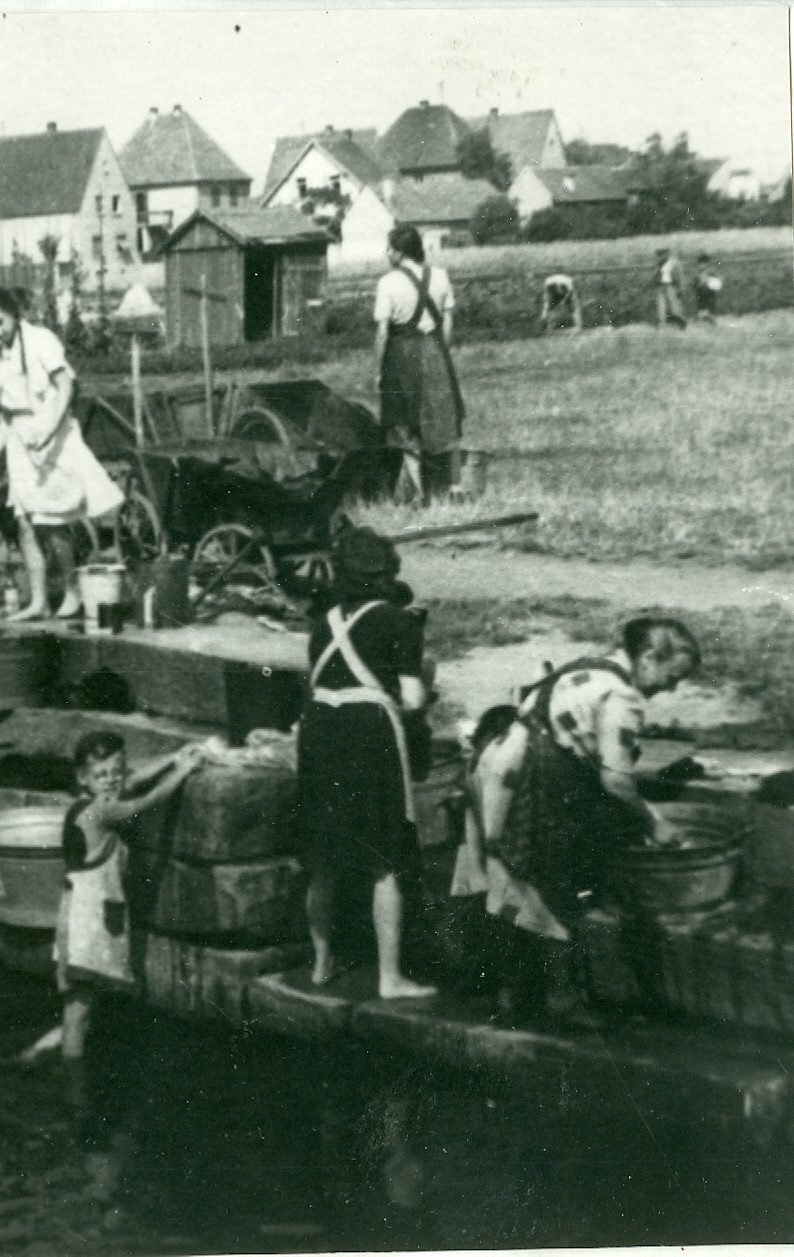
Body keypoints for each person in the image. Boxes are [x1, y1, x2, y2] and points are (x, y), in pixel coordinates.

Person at [467, 618, 701, 1016]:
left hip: (498, 768)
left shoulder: (589, 666)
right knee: (556, 882)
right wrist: (654, 823)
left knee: (510, 877)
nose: (670, 688)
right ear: (647, 658)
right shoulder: (621, 696)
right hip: (533, 781)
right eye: (670, 677)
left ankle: (513, 992)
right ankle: (564, 1000)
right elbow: (617, 783)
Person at [297, 527, 437, 1000]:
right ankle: (390, 977)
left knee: (322, 856)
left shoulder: (324, 621)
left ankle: (319, 964)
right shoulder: (400, 623)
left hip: (318, 727)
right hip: (367, 728)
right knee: (384, 857)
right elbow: (414, 700)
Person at [30, 731, 203, 1072]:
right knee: (80, 1005)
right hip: (86, 918)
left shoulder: (96, 798)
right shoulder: (98, 813)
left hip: (82, 909)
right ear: (83, 779)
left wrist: (171, 758)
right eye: (100, 775)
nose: (110, 781)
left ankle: (51, 1047)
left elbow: (134, 779)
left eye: (115, 772)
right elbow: (145, 801)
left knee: (80, 999)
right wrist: (183, 771)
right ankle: (72, 1075)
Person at [0, 286, 124, 621]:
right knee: (24, 521)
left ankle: (71, 591)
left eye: (0, 322)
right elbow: (9, 412)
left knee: (53, 521)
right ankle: (38, 600)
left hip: (52, 436)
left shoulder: (41, 341)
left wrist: (49, 430)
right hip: (21, 442)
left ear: (14, 312)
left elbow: (66, 387)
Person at [374, 225, 464, 503]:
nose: (386, 253)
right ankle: (453, 487)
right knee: (443, 421)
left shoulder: (387, 282)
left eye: (389, 248)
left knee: (404, 426)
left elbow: (382, 332)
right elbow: (448, 322)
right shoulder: (440, 276)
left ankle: (420, 494)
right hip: (436, 350)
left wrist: (379, 370)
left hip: (403, 357)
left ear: (399, 252)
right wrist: (440, 354)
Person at [654, 248, 687, 329]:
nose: (660, 256)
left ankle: (681, 323)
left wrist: (681, 288)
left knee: (674, 306)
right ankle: (662, 324)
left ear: (667, 253)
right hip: (661, 286)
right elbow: (656, 276)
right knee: (661, 306)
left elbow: (680, 277)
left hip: (671, 286)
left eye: (662, 254)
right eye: (659, 254)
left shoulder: (674, 263)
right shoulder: (659, 264)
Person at [692, 253, 722, 324]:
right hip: (700, 290)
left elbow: (717, 278)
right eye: (701, 263)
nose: (702, 265)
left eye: (704, 263)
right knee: (701, 303)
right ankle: (702, 317)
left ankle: (710, 318)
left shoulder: (710, 270)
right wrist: (696, 285)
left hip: (709, 290)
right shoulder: (697, 271)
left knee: (710, 303)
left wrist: (713, 282)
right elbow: (695, 280)